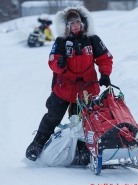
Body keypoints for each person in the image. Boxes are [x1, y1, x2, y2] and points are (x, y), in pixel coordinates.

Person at [26, 6, 113, 163]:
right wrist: (60, 64)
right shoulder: (61, 41)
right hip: (63, 89)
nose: (76, 26)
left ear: (83, 23)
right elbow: (52, 62)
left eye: (78, 22)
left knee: (85, 121)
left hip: (86, 89)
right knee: (52, 117)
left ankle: (84, 151)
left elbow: (105, 58)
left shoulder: (92, 39)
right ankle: (36, 145)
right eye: (72, 23)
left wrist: (105, 74)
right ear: (67, 26)